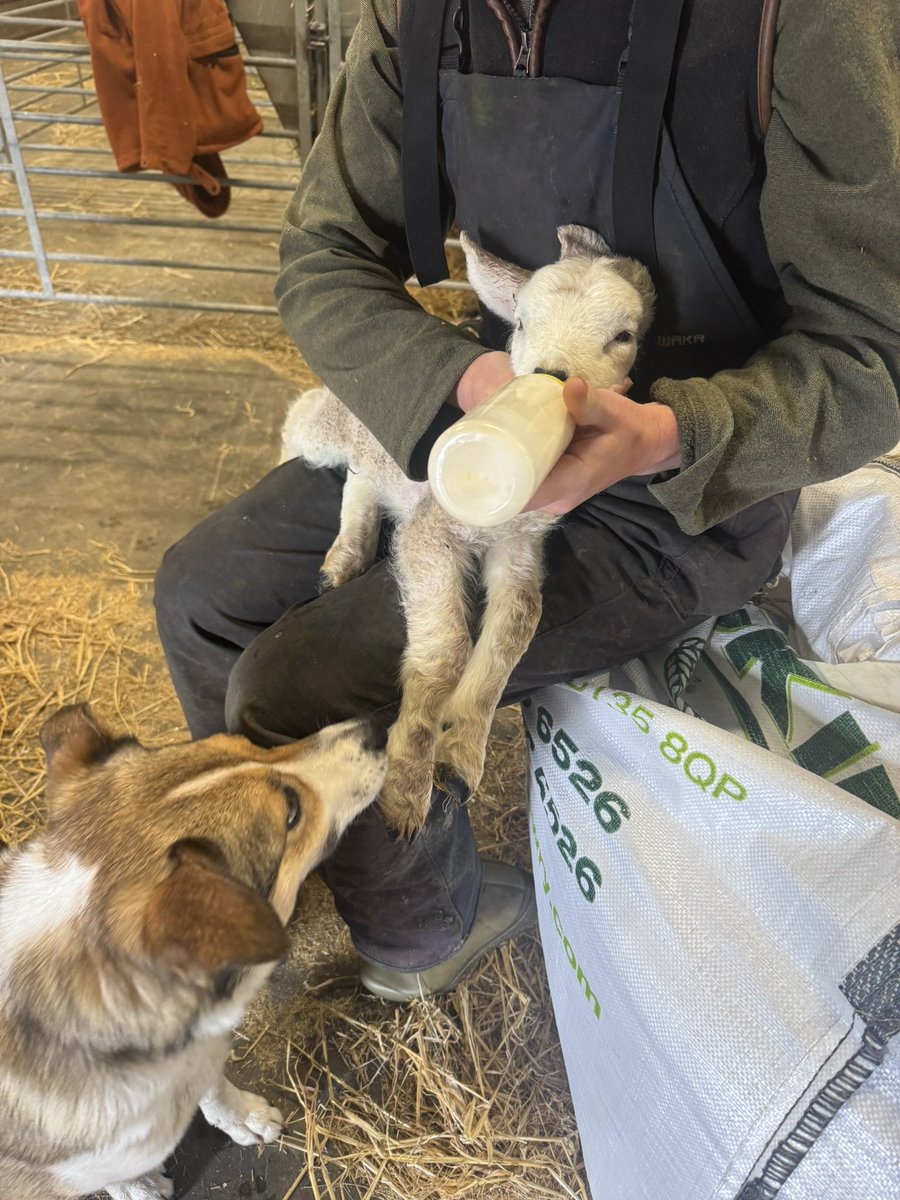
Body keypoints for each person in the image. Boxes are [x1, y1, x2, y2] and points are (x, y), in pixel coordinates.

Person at [155, 0, 900, 1001]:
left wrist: (675, 434)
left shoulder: (803, 18)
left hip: (683, 475)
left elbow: (872, 352)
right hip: (487, 414)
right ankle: (305, 866)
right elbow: (322, 251)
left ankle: (426, 923)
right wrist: (463, 390)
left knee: (298, 682)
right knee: (202, 594)